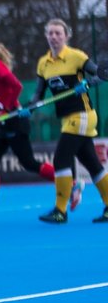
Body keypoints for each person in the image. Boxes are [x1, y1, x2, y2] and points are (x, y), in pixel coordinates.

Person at [0, 34, 62, 224]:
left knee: (29, 163)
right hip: (3, 123)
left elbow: (16, 86)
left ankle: (69, 183)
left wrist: (7, 110)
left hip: (14, 120)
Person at [22, 18, 108, 224]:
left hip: (83, 114)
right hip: (67, 118)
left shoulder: (76, 57)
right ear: (46, 36)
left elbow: (102, 74)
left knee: (61, 159)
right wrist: (30, 107)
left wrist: (87, 84)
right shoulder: (44, 63)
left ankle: (60, 211)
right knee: (92, 163)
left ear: (66, 36)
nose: (54, 37)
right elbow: (39, 93)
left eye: (58, 33)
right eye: (50, 33)